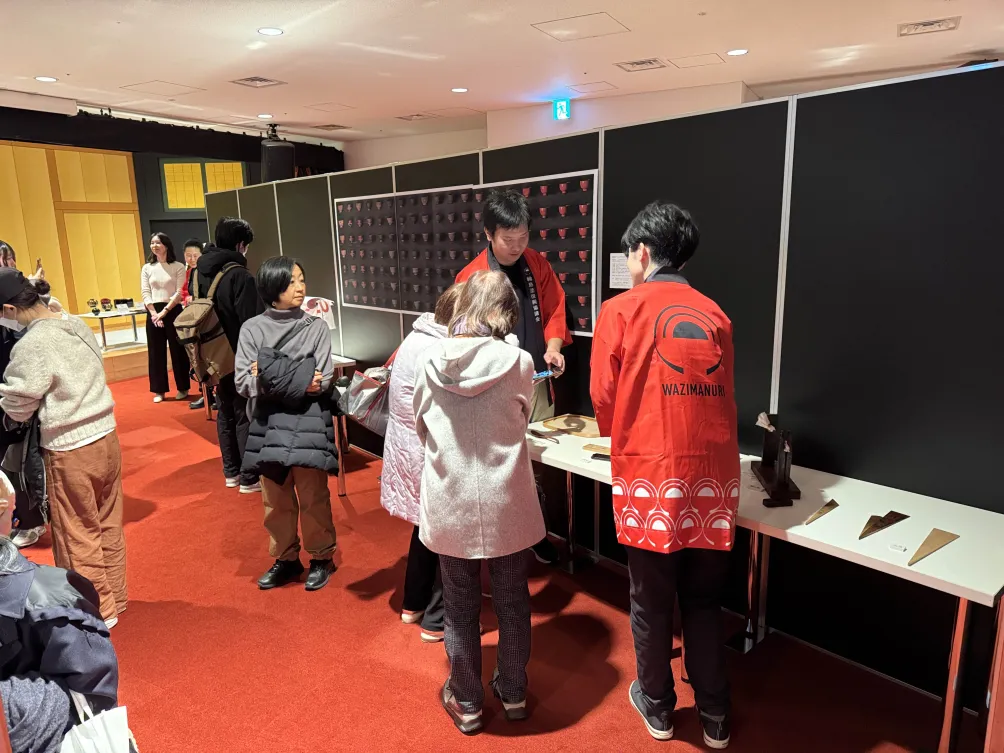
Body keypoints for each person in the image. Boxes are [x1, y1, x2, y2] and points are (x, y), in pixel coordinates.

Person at [590, 201, 739, 749]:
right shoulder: (716, 314)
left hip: (651, 474)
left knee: (651, 601)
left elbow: (603, 396)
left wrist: (622, 433)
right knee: (703, 600)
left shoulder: (620, 310)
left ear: (643, 252)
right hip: (712, 478)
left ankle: (657, 707)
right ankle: (716, 713)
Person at [414, 270, 544, 734]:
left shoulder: (428, 359)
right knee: (512, 600)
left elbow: (421, 426)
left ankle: (467, 700)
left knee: (459, 603)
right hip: (505, 498)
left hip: (450, 499)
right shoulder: (520, 362)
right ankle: (513, 691)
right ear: (506, 312)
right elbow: (523, 418)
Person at [0, 268, 127, 628]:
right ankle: (116, 597)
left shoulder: (32, 344)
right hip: (107, 436)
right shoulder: (74, 323)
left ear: (9, 309)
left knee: (76, 533)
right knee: (108, 523)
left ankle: (97, 611)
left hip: (70, 446)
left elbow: (18, 404)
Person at [455, 189, 572, 566]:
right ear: (489, 234)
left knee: (536, 463)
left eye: (523, 237)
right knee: (498, 465)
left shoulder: (536, 263)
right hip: (493, 390)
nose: (518, 246)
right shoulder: (471, 276)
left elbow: (555, 309)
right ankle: (500, 538)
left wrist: (553, 347)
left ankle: (535, 533)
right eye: (509, 239)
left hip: (535, 378)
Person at [235, 257, 338, 591]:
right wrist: (300, 376)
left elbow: (323, 380)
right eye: (291, 281)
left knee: (313, 495)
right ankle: (286, 559)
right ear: (272, 286)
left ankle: (322, 557)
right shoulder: (252, 328)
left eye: (301, 279)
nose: (300, 287)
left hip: (307, 421)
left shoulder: (315, 326)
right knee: (275, 499)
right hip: (267, 425)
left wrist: (267, 372)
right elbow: (243, 382)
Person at [381, 283, 465, 642]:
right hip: (430, 455)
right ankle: (438, 618)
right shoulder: (440, 350)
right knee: (446, 534)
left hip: (410, 452)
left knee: (424, 529)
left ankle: (413, 604)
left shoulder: (417, 338)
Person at [0, 519, 120, 753]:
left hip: (56, 727)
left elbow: (94, 704)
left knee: (78, 525)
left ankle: (113, 600)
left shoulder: (52, 608)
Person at [197, 217, 265, 494]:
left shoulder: (200, 271)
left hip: (211, 354)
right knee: (245, 413)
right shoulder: (240, 276)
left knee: (224, 410)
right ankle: (250, 477)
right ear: (240, 244)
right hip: (238, 354)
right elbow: (252, 322)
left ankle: (232, 472)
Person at [141, 233, 190, 404]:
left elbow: (179, 292)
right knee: (156, 352)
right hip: (153, 312)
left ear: (166, 245)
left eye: (158, 243)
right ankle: (159, 389)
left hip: (173, 310)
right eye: (152, 243)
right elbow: (145, 291)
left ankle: (183, 387)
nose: (154, 246)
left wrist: (165, 312)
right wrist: (154, 313)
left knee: (178, 350)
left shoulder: (178, 266)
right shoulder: (147, 268)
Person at [181, 239, 210, 411]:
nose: (192, 259)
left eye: (195, 255)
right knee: (196, 358)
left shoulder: (206, 271)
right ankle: (205, 394)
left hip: (206, 319)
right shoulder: (189, 272)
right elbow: (185, 291)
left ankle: (212, 395)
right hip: (194, 318)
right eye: (188, 256)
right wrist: (187, 298)